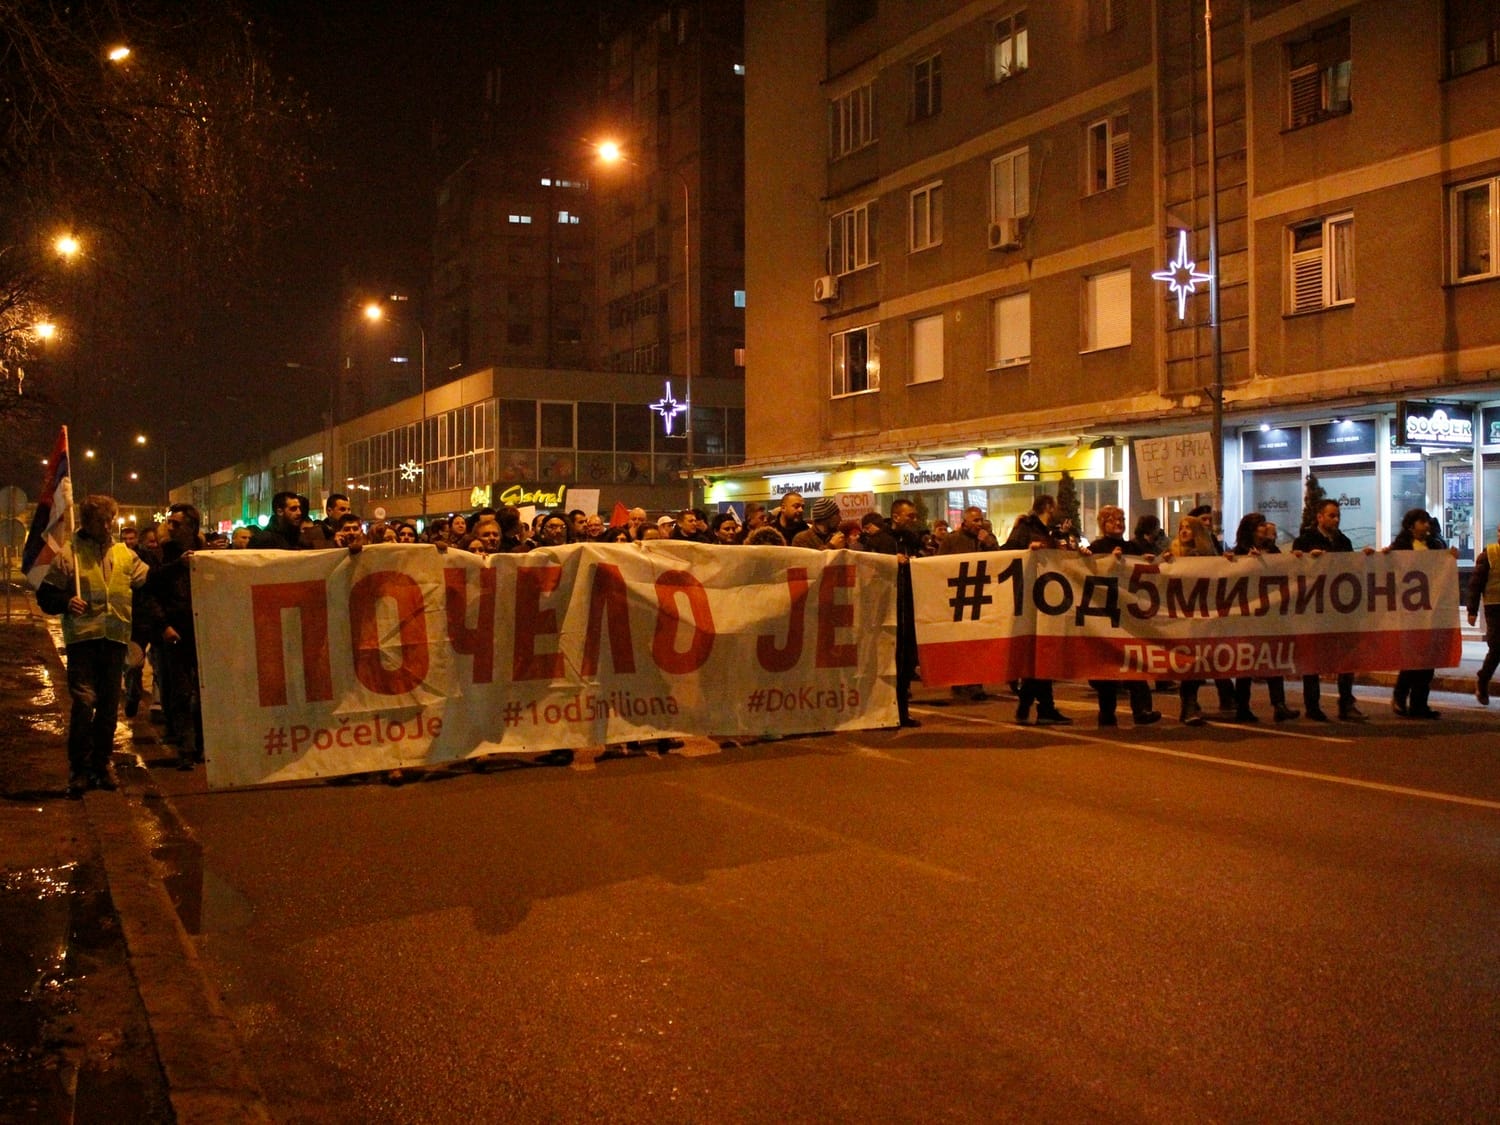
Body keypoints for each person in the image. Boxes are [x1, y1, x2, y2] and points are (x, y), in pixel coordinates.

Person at [36, 494, 150, 796]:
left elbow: (149, 583)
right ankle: (79, 769)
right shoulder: (69, 555)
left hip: (114, 641)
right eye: (102, 519)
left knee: (109, 707)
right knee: (85, 704)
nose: (108, 524)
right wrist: (65, 601)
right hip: (83, 642)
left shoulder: (125, 554)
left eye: (111, 517)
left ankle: (102, 764)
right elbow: (45, 596)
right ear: (87, 522)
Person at [141, 503, 204, 769]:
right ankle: (186, 748)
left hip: (203, 630)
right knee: (179, 690)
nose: (170, 527)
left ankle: (203, 745)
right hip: (175, 630)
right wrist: (163, 625)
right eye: (170, 522)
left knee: (204, 691)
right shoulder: (161, 555)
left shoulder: (207, 552)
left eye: (177, 523)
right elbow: (150, 589)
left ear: (191, 527)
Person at [1293, 499, 1368, 722]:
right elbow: (1292, 569)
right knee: (1313, 659)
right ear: (1319, 517)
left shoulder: (1343, 541)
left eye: (1338, 516)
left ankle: (1346, 703)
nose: (1336, 520)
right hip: (1315, 610)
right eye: (1331, 516)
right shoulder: (1305, 540)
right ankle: (1313, 705)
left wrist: (1367, 559)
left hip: (1339, 608)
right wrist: (1304, 558)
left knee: (1346, 658)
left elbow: (1351, 569)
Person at [1085, 506, 1160, 727]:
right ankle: (1107, 714)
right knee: (1108, 666)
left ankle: (1142, 710)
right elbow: (1086, 569)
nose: (1118, 523)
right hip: (1106, 614)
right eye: (1113, 519)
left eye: (1121, 519)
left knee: (1134, 662)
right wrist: (1096, 558)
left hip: (1128, 615)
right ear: (1103, 524)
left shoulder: (1132, 547)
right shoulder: (1096, 547)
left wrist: (1149, 560)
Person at [1230, 513, 1298, 723]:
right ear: (1251, 529)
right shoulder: (1239, 552)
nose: (1264, 528)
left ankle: (1279, 704)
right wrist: (1241, 561)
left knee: (1273, 660)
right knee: (1246, 663)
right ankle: (1242, 706)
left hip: (1270, 614)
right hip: (1248, 616)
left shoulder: (1274, 550)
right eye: (1260, 525)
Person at [865, 499, 924, 727]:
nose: (914, 520)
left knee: (906, 660)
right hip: (883, 609)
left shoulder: (911, 540)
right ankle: (879, 711)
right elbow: (867, 567)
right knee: (883, 660)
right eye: (910, 516)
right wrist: (891, 562)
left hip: (906, 608)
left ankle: (901, 711)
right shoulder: (879, 541)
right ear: (896, 516)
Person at [1388, 508, 1449, 719]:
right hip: (1410, 612)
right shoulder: (1401, 547)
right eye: (1422, 522)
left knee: (1428, 661)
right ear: (1411, 525)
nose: (1426, 525)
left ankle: (1419, 704)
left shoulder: (1435, 546)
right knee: (1413, 659)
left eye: (1427, 522)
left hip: (1430, 611)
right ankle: (1399, 696)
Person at [940, 506, 999, 702]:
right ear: (965, 521)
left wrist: (987, 542)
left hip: (980, 595)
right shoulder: (951, 540)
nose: (979, 524)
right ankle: (959, 680)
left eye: (981, 520)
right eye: (975, 520)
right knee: (960, 641)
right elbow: (939, 566)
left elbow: (998, 557)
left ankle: (976, 682)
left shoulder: (986, 540)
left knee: (978, 640)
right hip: (958, 596)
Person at [1165, 515, 1219, 725]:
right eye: (1181, 527)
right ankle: (1188, 705)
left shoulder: (1209, 558)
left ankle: (1191, 702)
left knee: (1198, 661)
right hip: (1179, 616)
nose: (1184, 531)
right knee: (1187, 662)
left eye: (1188, 528)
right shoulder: (1171, 555)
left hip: (1202, 616)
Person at [1466, 520, 1500, 705]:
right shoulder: (1489, 554)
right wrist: (1472, 611)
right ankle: (1483, 680)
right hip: (1495, 607)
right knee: (1497, 647)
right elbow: (1475, 585)